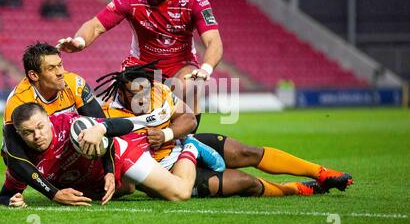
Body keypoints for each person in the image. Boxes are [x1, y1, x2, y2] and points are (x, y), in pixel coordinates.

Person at [97, 63, 353, 199]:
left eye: (145, 92)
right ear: (120, 91)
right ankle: (298, 188)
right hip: (166, 171)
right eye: (134, 95)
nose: (142, 99)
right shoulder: (108, 113)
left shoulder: (159, 92)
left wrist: (167, 134)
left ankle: (322, 173)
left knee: (247, 152)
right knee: (245, 183)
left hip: (186, 144)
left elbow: (188, 119)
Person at [56, 0, 223, 131]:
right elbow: (96, 25)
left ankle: (187, 142)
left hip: (180, 66)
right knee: (124, 97)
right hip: (141, 66)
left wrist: (206, 69)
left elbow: (213, 41)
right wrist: (79, 41)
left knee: (191, 85)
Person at [0, 103, 223, 206]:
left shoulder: (72, 126)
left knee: (180, 193)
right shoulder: (22, 160)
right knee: (129, 188)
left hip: (120, 154)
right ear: (19, 134)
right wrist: (12, 200)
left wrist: (109, 168)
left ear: (48, 120)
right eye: (28, 132)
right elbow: (5, 194)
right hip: (96, 181)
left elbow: (118, 128)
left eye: (40, 126)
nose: (37, 135)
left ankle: (190, 146)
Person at [2, 42, 118, 202]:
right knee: (10, 191)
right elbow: (15, 157)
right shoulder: (18, 101)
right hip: (32, 152)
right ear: (34, 75)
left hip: (64, 146)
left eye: (60, 65)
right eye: (51, 68)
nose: (60, 73)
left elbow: (103, 125)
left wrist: (109, 171)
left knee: (126, 187)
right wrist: (53, 193)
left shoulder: (74, 84)